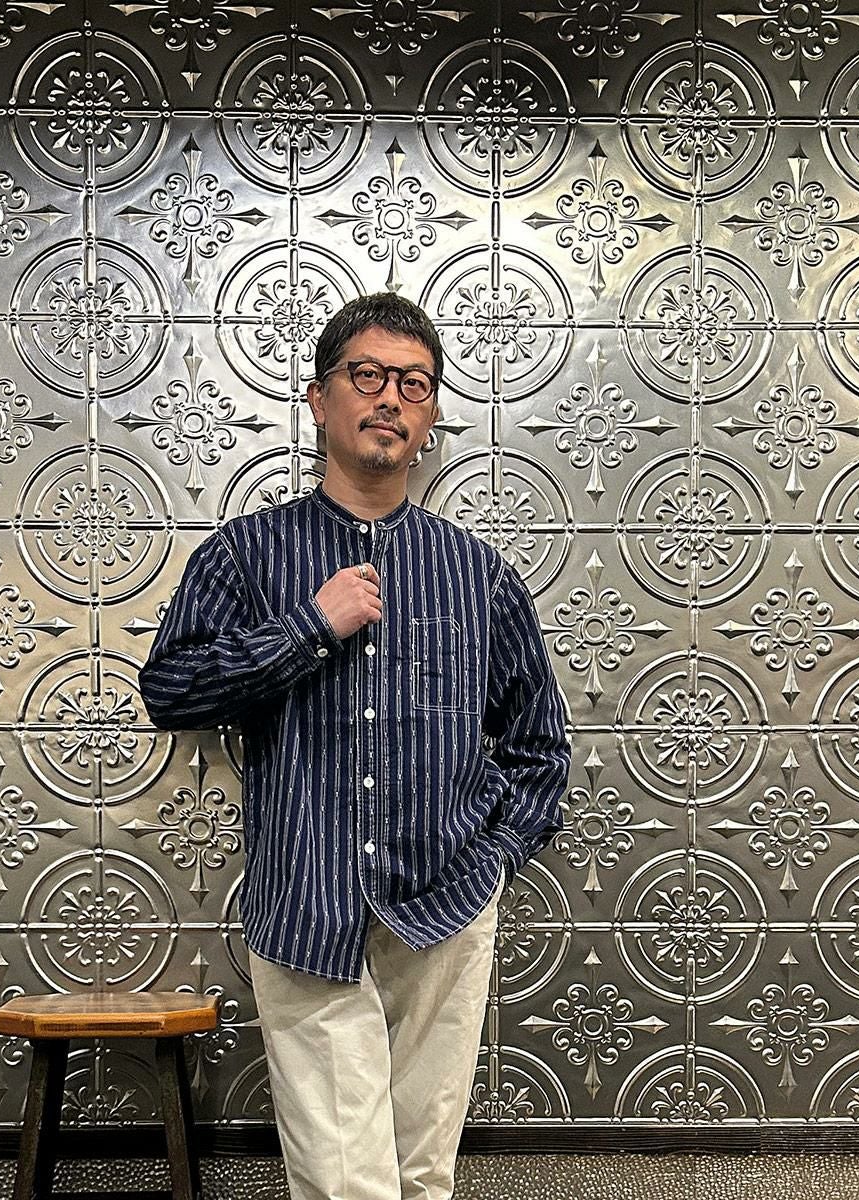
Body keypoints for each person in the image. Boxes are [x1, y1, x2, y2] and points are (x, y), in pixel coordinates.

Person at [139, 292, 572, 1200]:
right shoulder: (247, 555)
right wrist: (309, 628)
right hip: (307, 902)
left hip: (447, 906)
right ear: (319, 397)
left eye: (415, 384)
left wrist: (493, 856)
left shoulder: (478, 573)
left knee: (422, 1177)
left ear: (431, 415)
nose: (390, 399)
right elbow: (170, 690)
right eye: (367, 375)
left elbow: (539, 744)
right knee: (346, 1184)